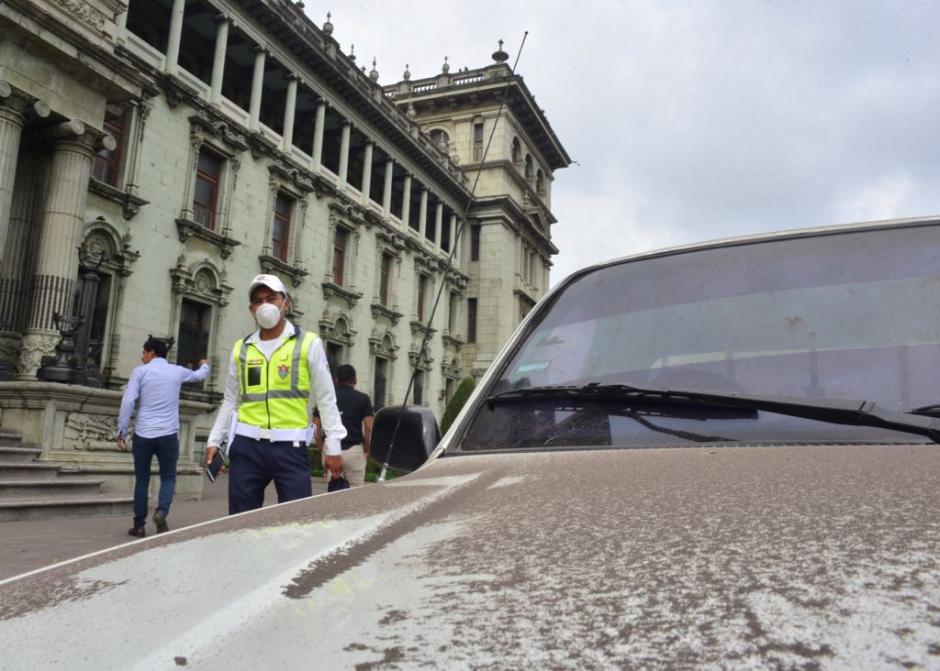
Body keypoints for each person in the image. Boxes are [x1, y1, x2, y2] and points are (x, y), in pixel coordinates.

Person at [205, 274, 346, 514]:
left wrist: (333, 445)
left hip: (290, 447)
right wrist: (214, 440)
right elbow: (230, 399)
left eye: (271, 299)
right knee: (240, 521)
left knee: (295, 520)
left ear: (285, 303)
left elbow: (326, 397)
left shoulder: (308, 343)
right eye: (258, 301)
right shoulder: (242, 349)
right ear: (251, 310)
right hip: (247, 447)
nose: (265, 306)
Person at [116, 337, 209, 537]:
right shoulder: (177, 371)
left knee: (142, 480)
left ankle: (139, 525)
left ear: (151, 353)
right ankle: (161, 511)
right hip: (168, 434)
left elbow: (128, 401)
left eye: (144, 352)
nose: (142, 357)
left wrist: (121, 431)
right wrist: (205, 365)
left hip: (143, 433)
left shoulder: (140, 372)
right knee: (168, 477)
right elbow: (199, 375)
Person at [316, 364, 373, 487]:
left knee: (333, 491)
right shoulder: (363, 399)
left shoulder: (326, 398)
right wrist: (367, 450)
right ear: (355, 380)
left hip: (330, 449)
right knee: (355, 492)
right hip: (354, 451)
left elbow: (316, 428)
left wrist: (322, 448)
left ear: (336, 380)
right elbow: (368, 427)